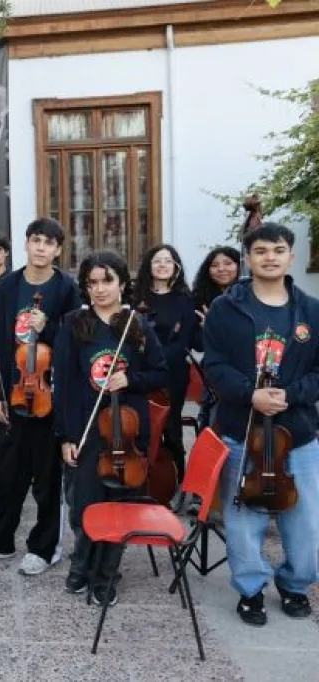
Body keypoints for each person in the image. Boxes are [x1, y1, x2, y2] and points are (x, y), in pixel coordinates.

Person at [203, 223, 319, 626]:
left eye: (278, 249)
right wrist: (249, 393)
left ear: (291, 256)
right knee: (243, 519)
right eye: (261, 250)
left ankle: (295, 584)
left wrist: (291, 394)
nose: (270, 256)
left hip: (298, 433)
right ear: (248, 258)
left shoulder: (312, 310)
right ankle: (250, 590)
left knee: (304, 522)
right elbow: (213, 364)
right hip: (241, 430)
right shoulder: (225, 308)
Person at [55, 250, 167, 606]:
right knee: (85, 506)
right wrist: (66, 436)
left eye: (107, 281)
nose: (99, 289)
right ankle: (82, 565)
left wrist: (129, 379)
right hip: (88, 431)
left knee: (118, 504)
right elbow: (65, 383)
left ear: (122, 283)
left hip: (127, 433)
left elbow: (162, 373)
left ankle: (106, 576)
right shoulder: (73, 323)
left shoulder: (137, 324)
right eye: (92, 283)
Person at [0, 218, 81, 574]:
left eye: (49, 243)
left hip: (51, 397)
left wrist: (48, 328)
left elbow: (74, 341)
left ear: (58, 250)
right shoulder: (6, 287)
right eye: (36, 240)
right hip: (14, 392)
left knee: (48, 478)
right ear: (26, 244)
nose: (41, 248)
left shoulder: (67, 288)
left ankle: (44, 546)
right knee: (8, 475)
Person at [133, 244, 201, 499]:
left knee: (170, 426)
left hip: (172, 372)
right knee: (139, 423)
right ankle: (138, 480)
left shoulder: (184, 299)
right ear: (149, 266)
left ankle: (172, 483)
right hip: (139, 371)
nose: (162, 265)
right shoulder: (136, 296)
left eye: (168, 261)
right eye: (157, 260)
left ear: (176, 267)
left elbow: (185, 341)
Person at [191, 245, 242, 434]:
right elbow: (196, 344)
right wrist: (208, 330)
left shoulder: (250, 297)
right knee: (213, 419)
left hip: (244, 368)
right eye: (215, 265)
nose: (221, 269)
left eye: (228, 263)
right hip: (215, 370)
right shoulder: (200, 299)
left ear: (240, 266)